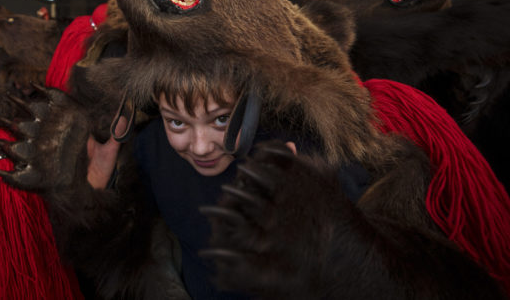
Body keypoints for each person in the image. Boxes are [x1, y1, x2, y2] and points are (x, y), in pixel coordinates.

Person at [85, 72, 369, 299]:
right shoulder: (151, 147)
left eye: (221, 119)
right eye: (177, 123)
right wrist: (96, 191)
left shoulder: (309, 152)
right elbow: (131, 243)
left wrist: (312, 221)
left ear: (253, 104)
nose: (201, 147)